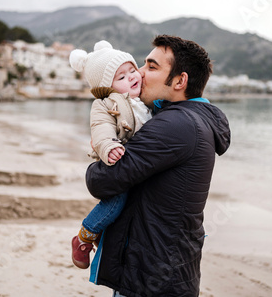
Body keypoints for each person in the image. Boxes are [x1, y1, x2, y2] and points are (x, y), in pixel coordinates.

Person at [86, 35, 231, 296]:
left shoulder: (174, 125)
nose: (139, 73)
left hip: (152, 281)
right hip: (165, 273)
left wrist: (101, 151)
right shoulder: (189, 119)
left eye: (151, 67)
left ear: (179, 81)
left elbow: (101, 181)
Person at [69, 40, 152, 269]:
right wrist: (108, 147)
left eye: (132, 70)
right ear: (108, 88)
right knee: (116, 202)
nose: (132, 77)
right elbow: (101, 129)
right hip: (115, 161)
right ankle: (85, 236)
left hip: (137, 164)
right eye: (122, 77)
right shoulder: (104, 105)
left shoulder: (146, 99)